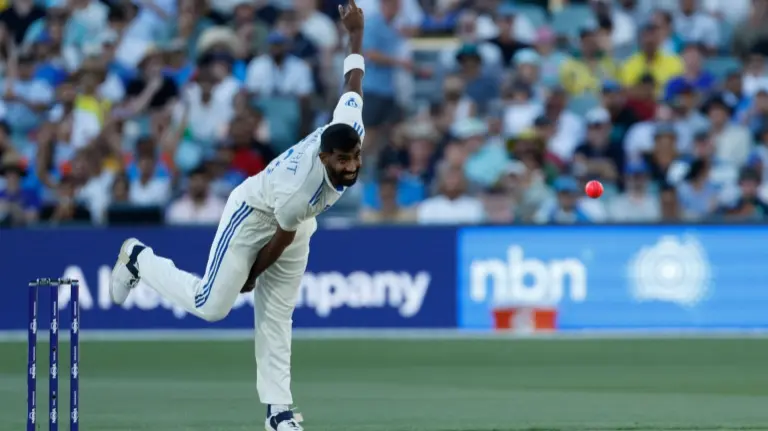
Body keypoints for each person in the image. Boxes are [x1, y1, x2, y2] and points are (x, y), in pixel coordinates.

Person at [108, 1, 366, 430]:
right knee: (213, 306)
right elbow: (277, 237)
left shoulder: (350, 127)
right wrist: (250, 274)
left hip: (296, 225)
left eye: (355, 158)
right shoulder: (302, 187)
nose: (352, 167)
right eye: (342, 161)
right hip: (255, 213)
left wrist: (355, 32)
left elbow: (353, 80)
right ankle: (138, 258)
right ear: (324, 156)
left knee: (278, 313)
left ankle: (278, 413)